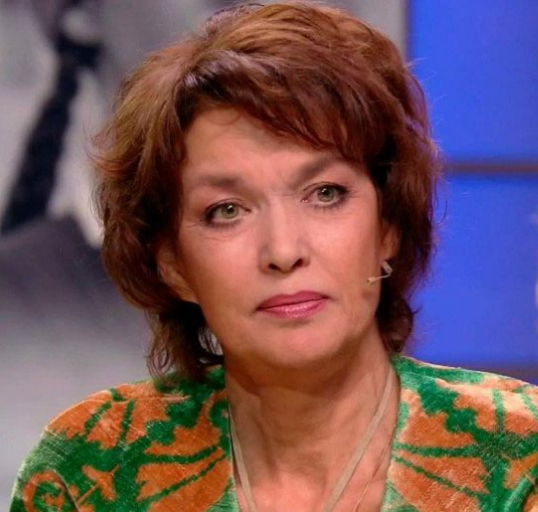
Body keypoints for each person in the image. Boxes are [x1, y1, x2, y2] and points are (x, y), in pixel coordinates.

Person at [10, 2, 538, 511]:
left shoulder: (519, 458)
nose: (284, 251)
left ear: (386, 229)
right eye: (227, 211)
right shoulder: (94, 471)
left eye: (326, 194)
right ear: (172, 264)